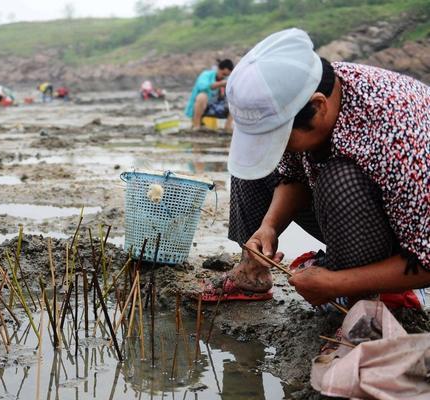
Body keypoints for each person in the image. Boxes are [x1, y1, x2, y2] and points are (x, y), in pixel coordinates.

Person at [209, 28, 430, 308]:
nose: (280, 146)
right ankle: (251, 273)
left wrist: (334, 283)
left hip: (404, 243)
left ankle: (364, 301)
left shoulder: (399, 137)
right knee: (259, 163)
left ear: (318, 106)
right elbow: (293, 175)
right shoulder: (301, 89)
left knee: (340, 179)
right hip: (348, 219)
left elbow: (426, 258)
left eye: (282, 137)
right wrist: (269, 227)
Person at [184, 59, 234, 132]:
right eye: (223, 74)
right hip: (203, 107)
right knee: (202, 96)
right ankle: (196, 125)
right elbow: (202, 86)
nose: (224, 77)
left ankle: (227, 127)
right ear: (219, 69)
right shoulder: (206, 75)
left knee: (235, 102)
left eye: (227, 75)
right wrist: (220, 84)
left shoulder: (228, 80)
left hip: (219, 106)